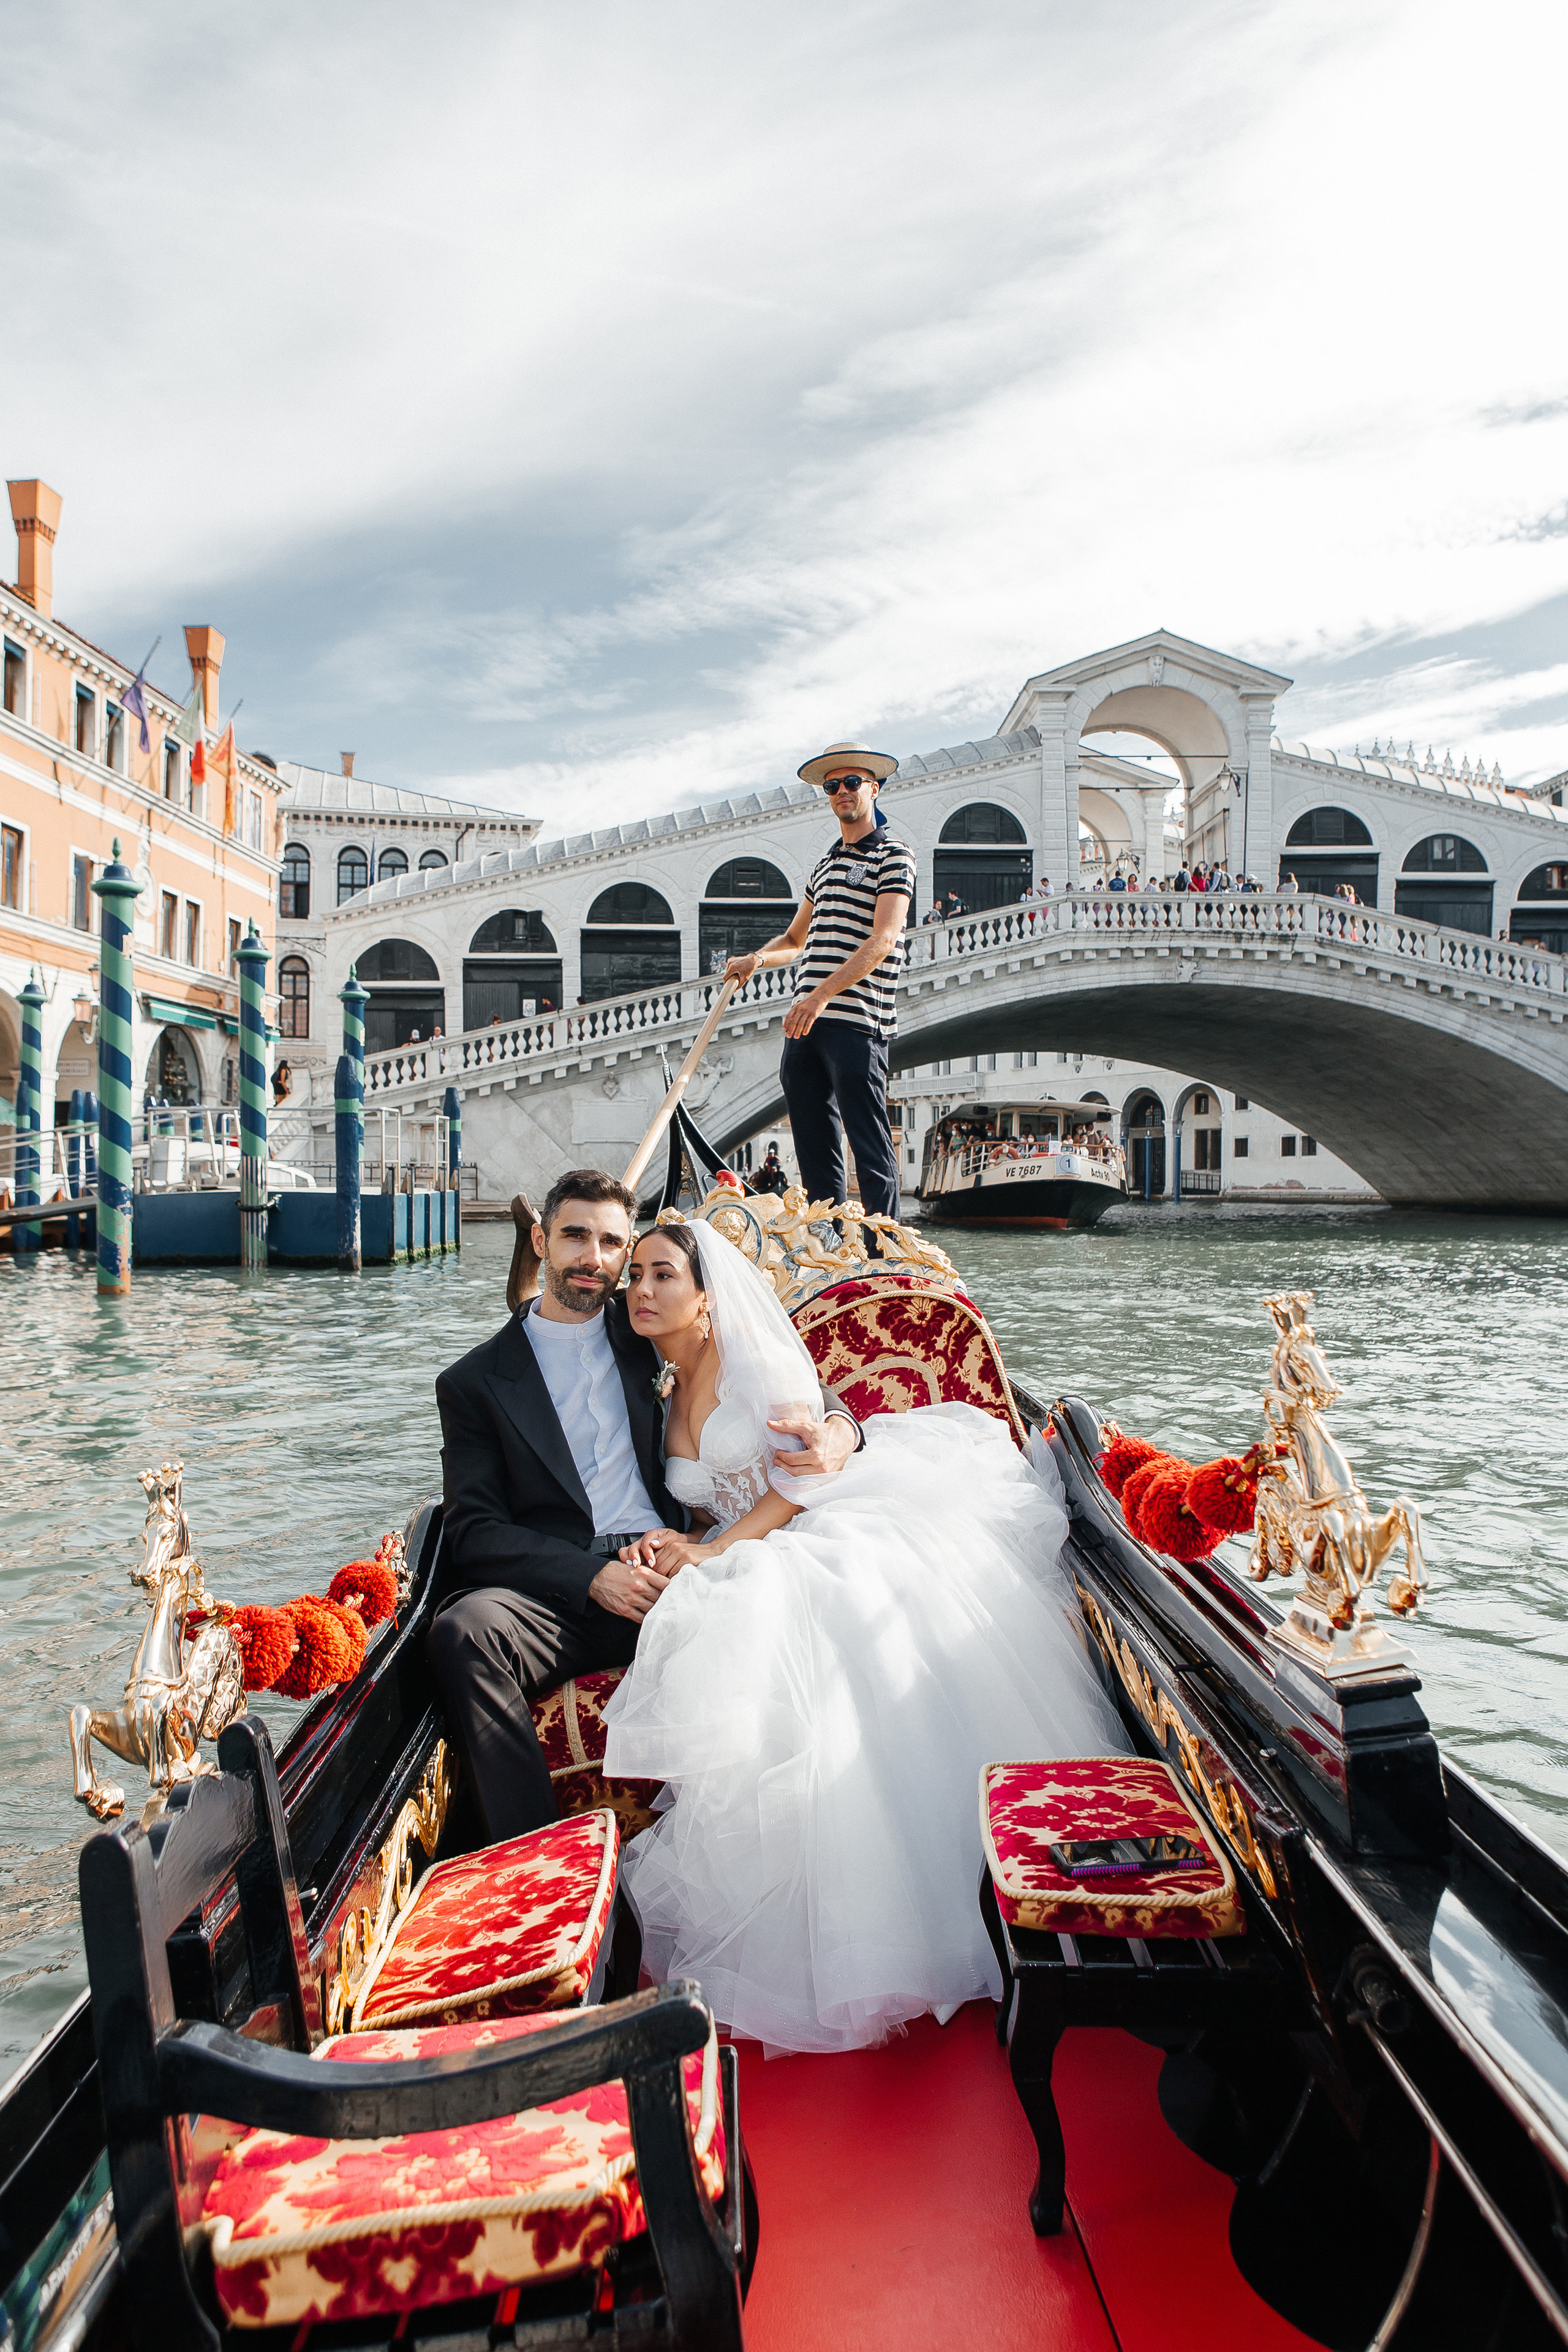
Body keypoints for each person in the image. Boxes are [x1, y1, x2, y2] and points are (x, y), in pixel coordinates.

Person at [601, 1215, 1126, 2053]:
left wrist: (711, 1551)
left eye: (663, 1276)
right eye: (636, 1278)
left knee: (773, 1607)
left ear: (707, 1298)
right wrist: (681, 1542)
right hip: (741, 1542)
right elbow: (699, 1499)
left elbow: (796, 1481)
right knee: (724, 1607)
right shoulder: (656, 1383)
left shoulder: (753, 1361)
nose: (642, 1292)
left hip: (815, 1521)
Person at [428, 1169, 862, 1843]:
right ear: (540, 1241)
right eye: (575, 1237)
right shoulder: (474, 1382)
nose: (593, 1259)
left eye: (610, 1244)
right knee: (462, 1630)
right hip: (572, 1593)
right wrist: (591, 1578)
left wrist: (841, 1429)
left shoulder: (645, 1329)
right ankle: (536, 1859)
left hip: (681, 1566)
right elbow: (474, 1531)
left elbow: (774, 1379)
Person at [723, 741, 913, 1221]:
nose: (842, 792)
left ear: (874, 787)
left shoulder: (894, 856)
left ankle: (884, 1245)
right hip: (805, 1025)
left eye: (852, 783)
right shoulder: (825, 865)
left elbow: (884, 937)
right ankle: (829, 1241)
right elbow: (793, 938)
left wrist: (821, 995)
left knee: (868, 1144)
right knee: (815, 1150)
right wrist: (756, 959)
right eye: (833, 786)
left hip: (856, 1021)